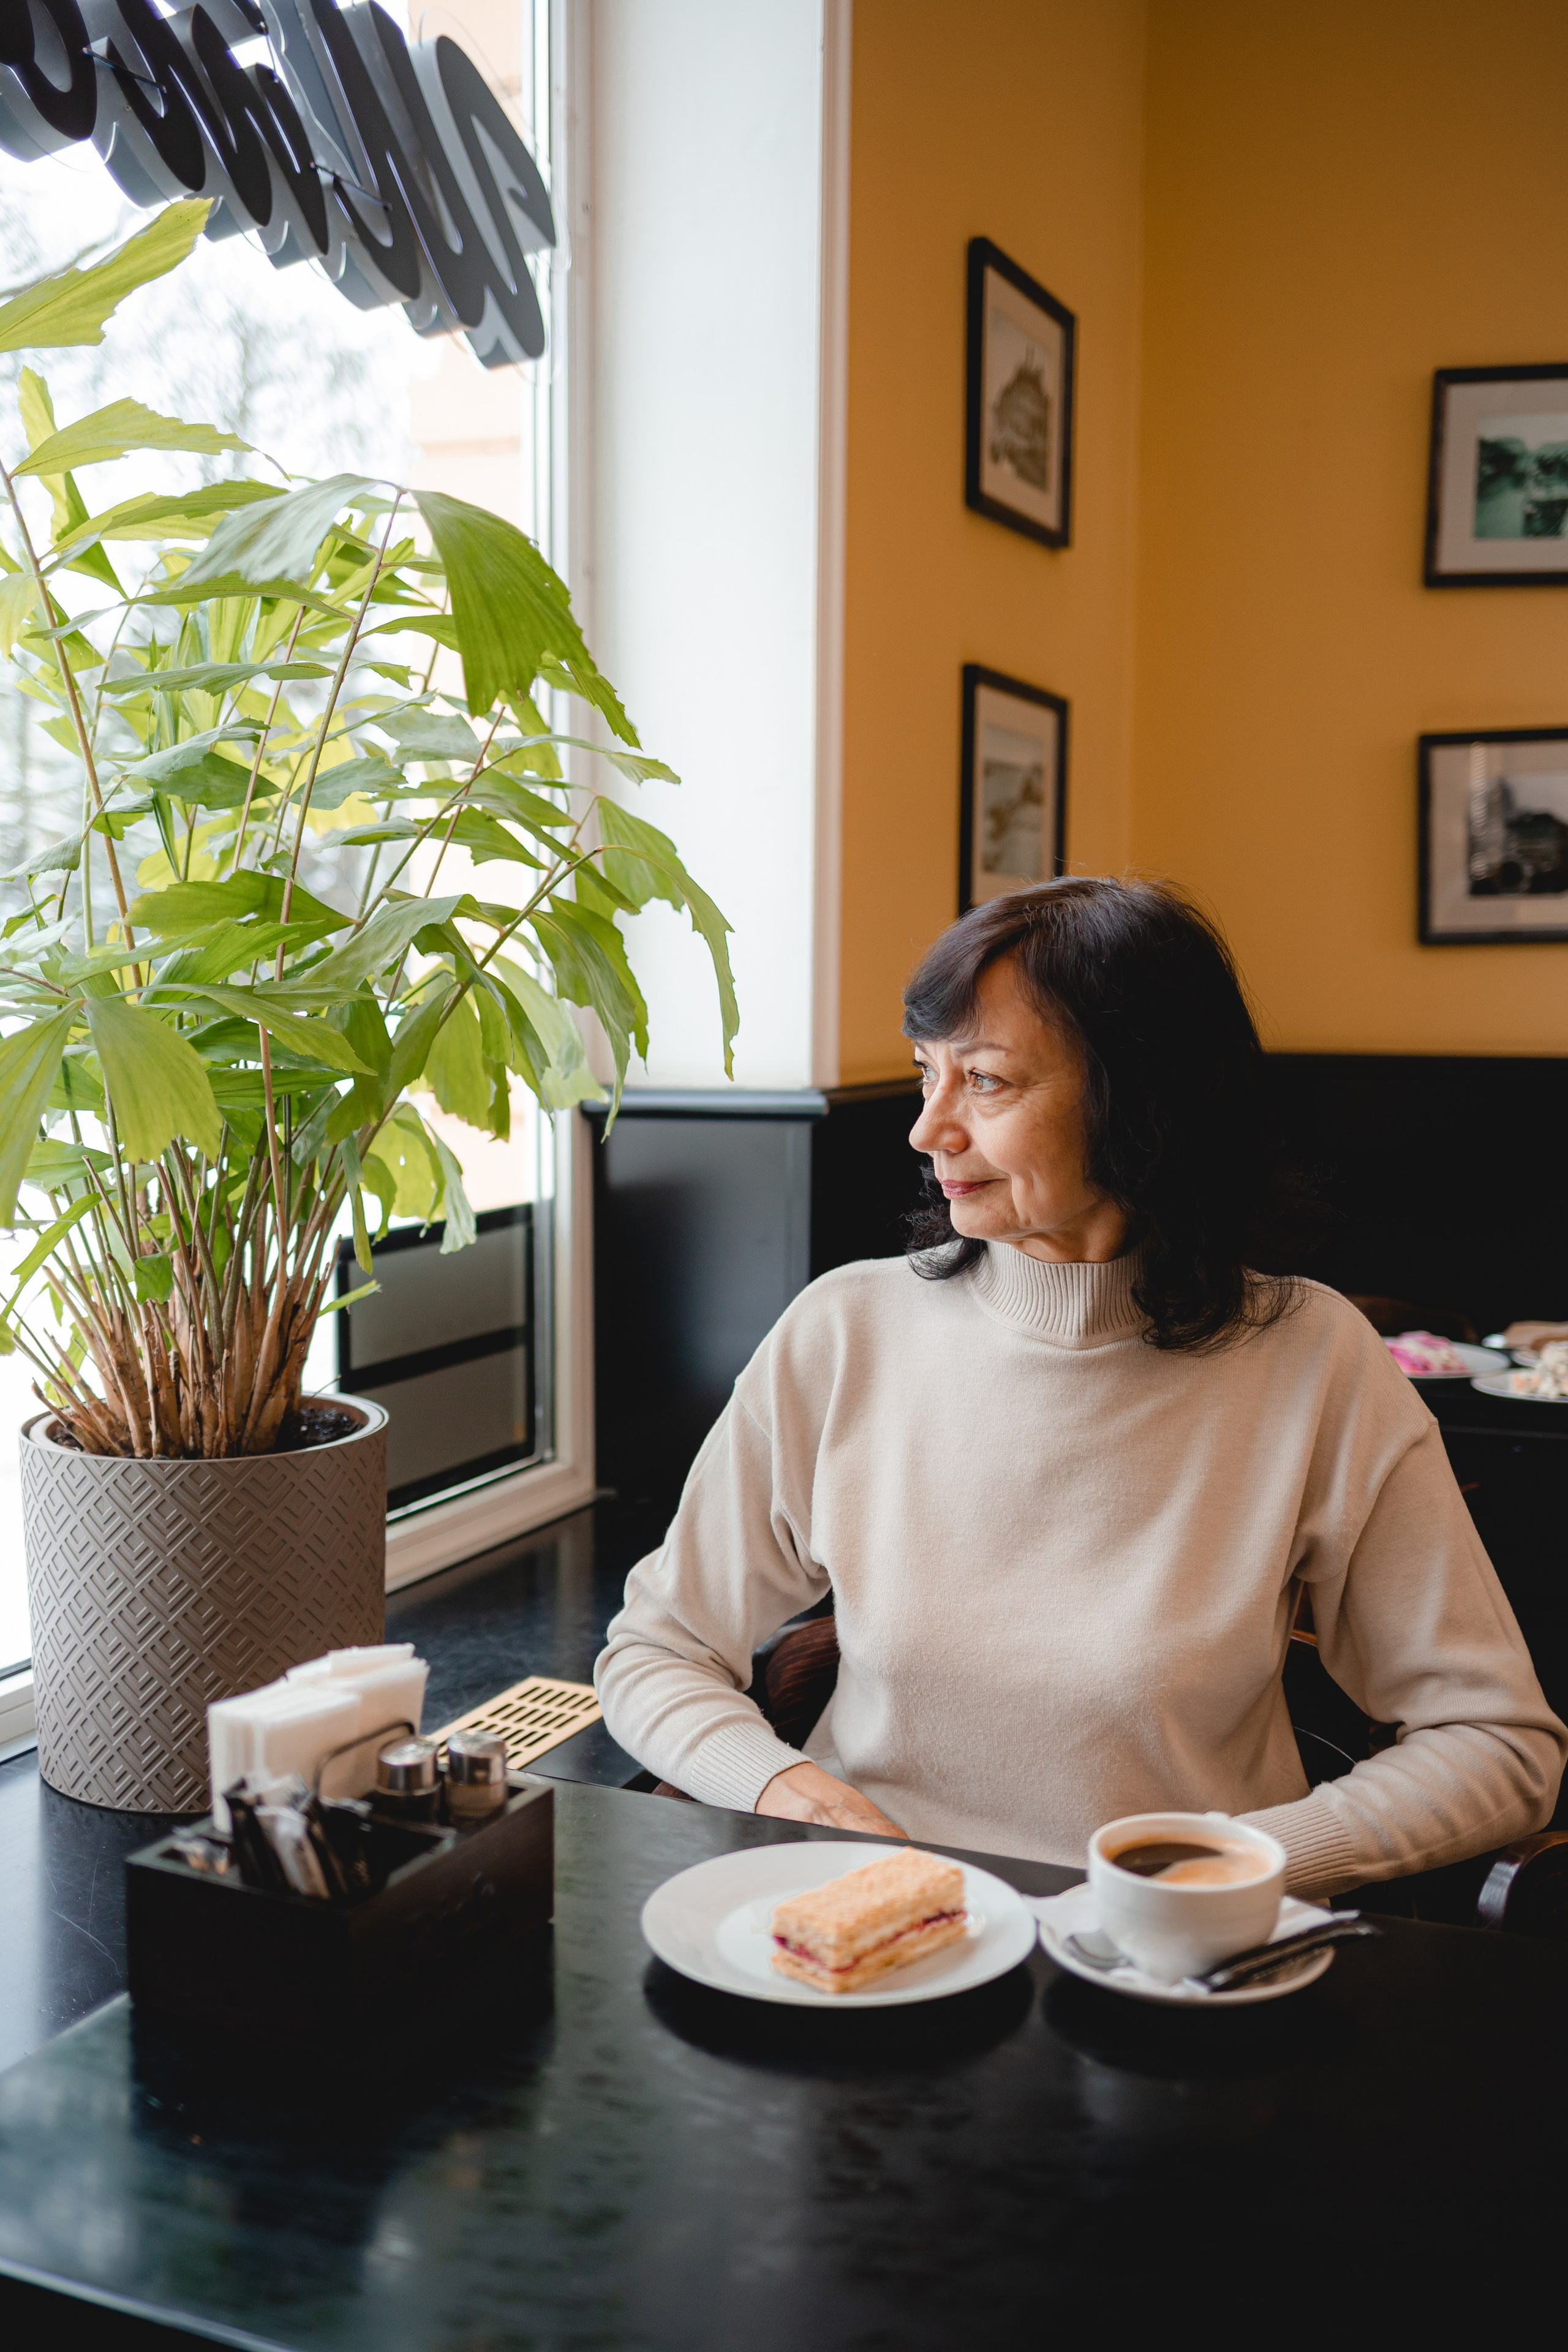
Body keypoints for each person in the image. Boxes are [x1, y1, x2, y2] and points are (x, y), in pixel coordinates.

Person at [594, 879, 1565, 1894]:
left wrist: (1240, 1868)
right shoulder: (846, 1331)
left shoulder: (1313, 1358)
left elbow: (1500, 1747)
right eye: (928, 1073)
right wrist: (789, 1792)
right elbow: (654, 1649)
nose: (929, 1130)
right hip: (872, 1929)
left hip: (1165, 1962)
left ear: (1139, 1102)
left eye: (988, 1082)